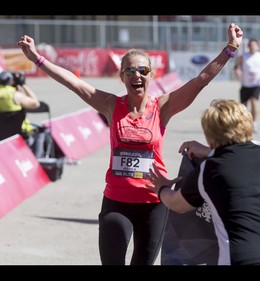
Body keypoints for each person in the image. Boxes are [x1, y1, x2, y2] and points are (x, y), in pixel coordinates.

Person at [17, 23, 244, 265]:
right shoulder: (112, 105)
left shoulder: (163, 107)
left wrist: (230, 48)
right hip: (116, 202)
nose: (137, 75)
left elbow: (201, 80)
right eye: (130, 70)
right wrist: (37, 59)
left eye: (143, 70)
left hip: (154, 203)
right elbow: (75, 84)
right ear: (123, 76)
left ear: (151, 75)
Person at [145, 99, 260, 265]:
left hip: (249, 257)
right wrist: (209, 151)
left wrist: (161, 188)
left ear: (210, 135)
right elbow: (242, 158)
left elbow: (177, 204)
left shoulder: (208, 170)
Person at [234, 38, 260, 133]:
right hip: (245, 84)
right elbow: (236, 66)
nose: (252, 47)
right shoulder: (243, 56)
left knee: (254, 101)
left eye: (254, 45)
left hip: (257, 84)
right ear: (248, 47)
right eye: (251, 45)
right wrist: (237, 70)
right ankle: (243, 124)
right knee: (243, 106)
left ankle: (253, 123)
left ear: (258, 47)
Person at [0, 70, 40, 141]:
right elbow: (36, 104)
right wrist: (23, 84)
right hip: (19, 134)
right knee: (42, 134)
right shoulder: (14, 95)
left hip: (2, 135)